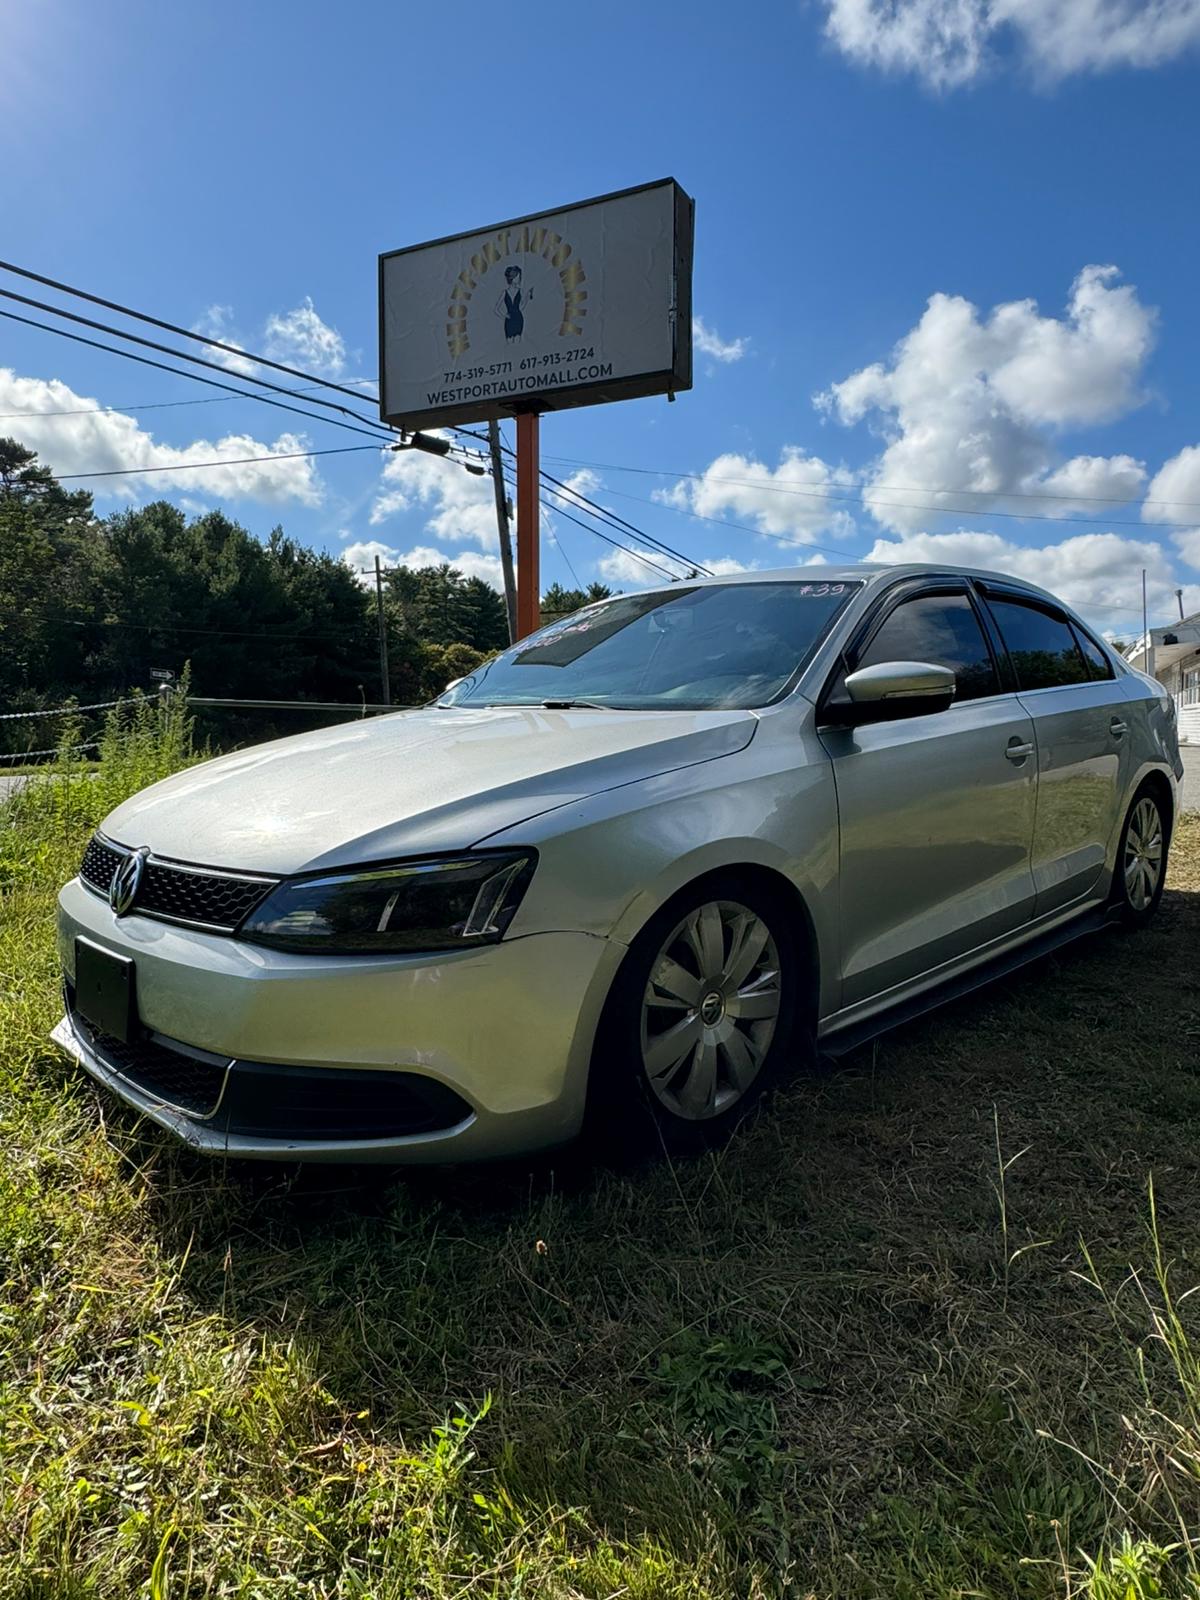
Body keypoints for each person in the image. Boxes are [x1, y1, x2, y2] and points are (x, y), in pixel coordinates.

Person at [495, 265, 532, 342]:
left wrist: (527, 297)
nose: (519, 278)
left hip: (518, 319)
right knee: (509, 342)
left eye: (519, 276)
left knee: (518, 341)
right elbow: (496, 309)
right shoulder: (504, 292)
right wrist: (504, 315)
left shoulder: (519, 291)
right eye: (517, 276)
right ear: (512, 278)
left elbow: (521, 307)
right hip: (509, 321)